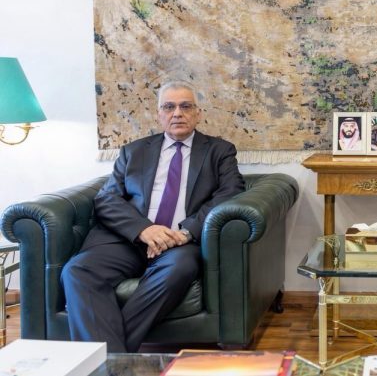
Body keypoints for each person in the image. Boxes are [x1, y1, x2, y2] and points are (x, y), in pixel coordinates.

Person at [61, 81, 245, 352]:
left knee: (179, 269)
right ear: (159, 114)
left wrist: (186, 232)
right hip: (128, 240)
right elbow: (107, 198)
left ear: (198, 113)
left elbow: (230, 193)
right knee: (77, 270)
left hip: (179, 244)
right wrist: (143, 230)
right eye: (169, 107)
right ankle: (115, 361)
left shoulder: (219, 151)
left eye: (185, 106)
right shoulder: (133, 151)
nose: (177, 113)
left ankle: (109, 358)